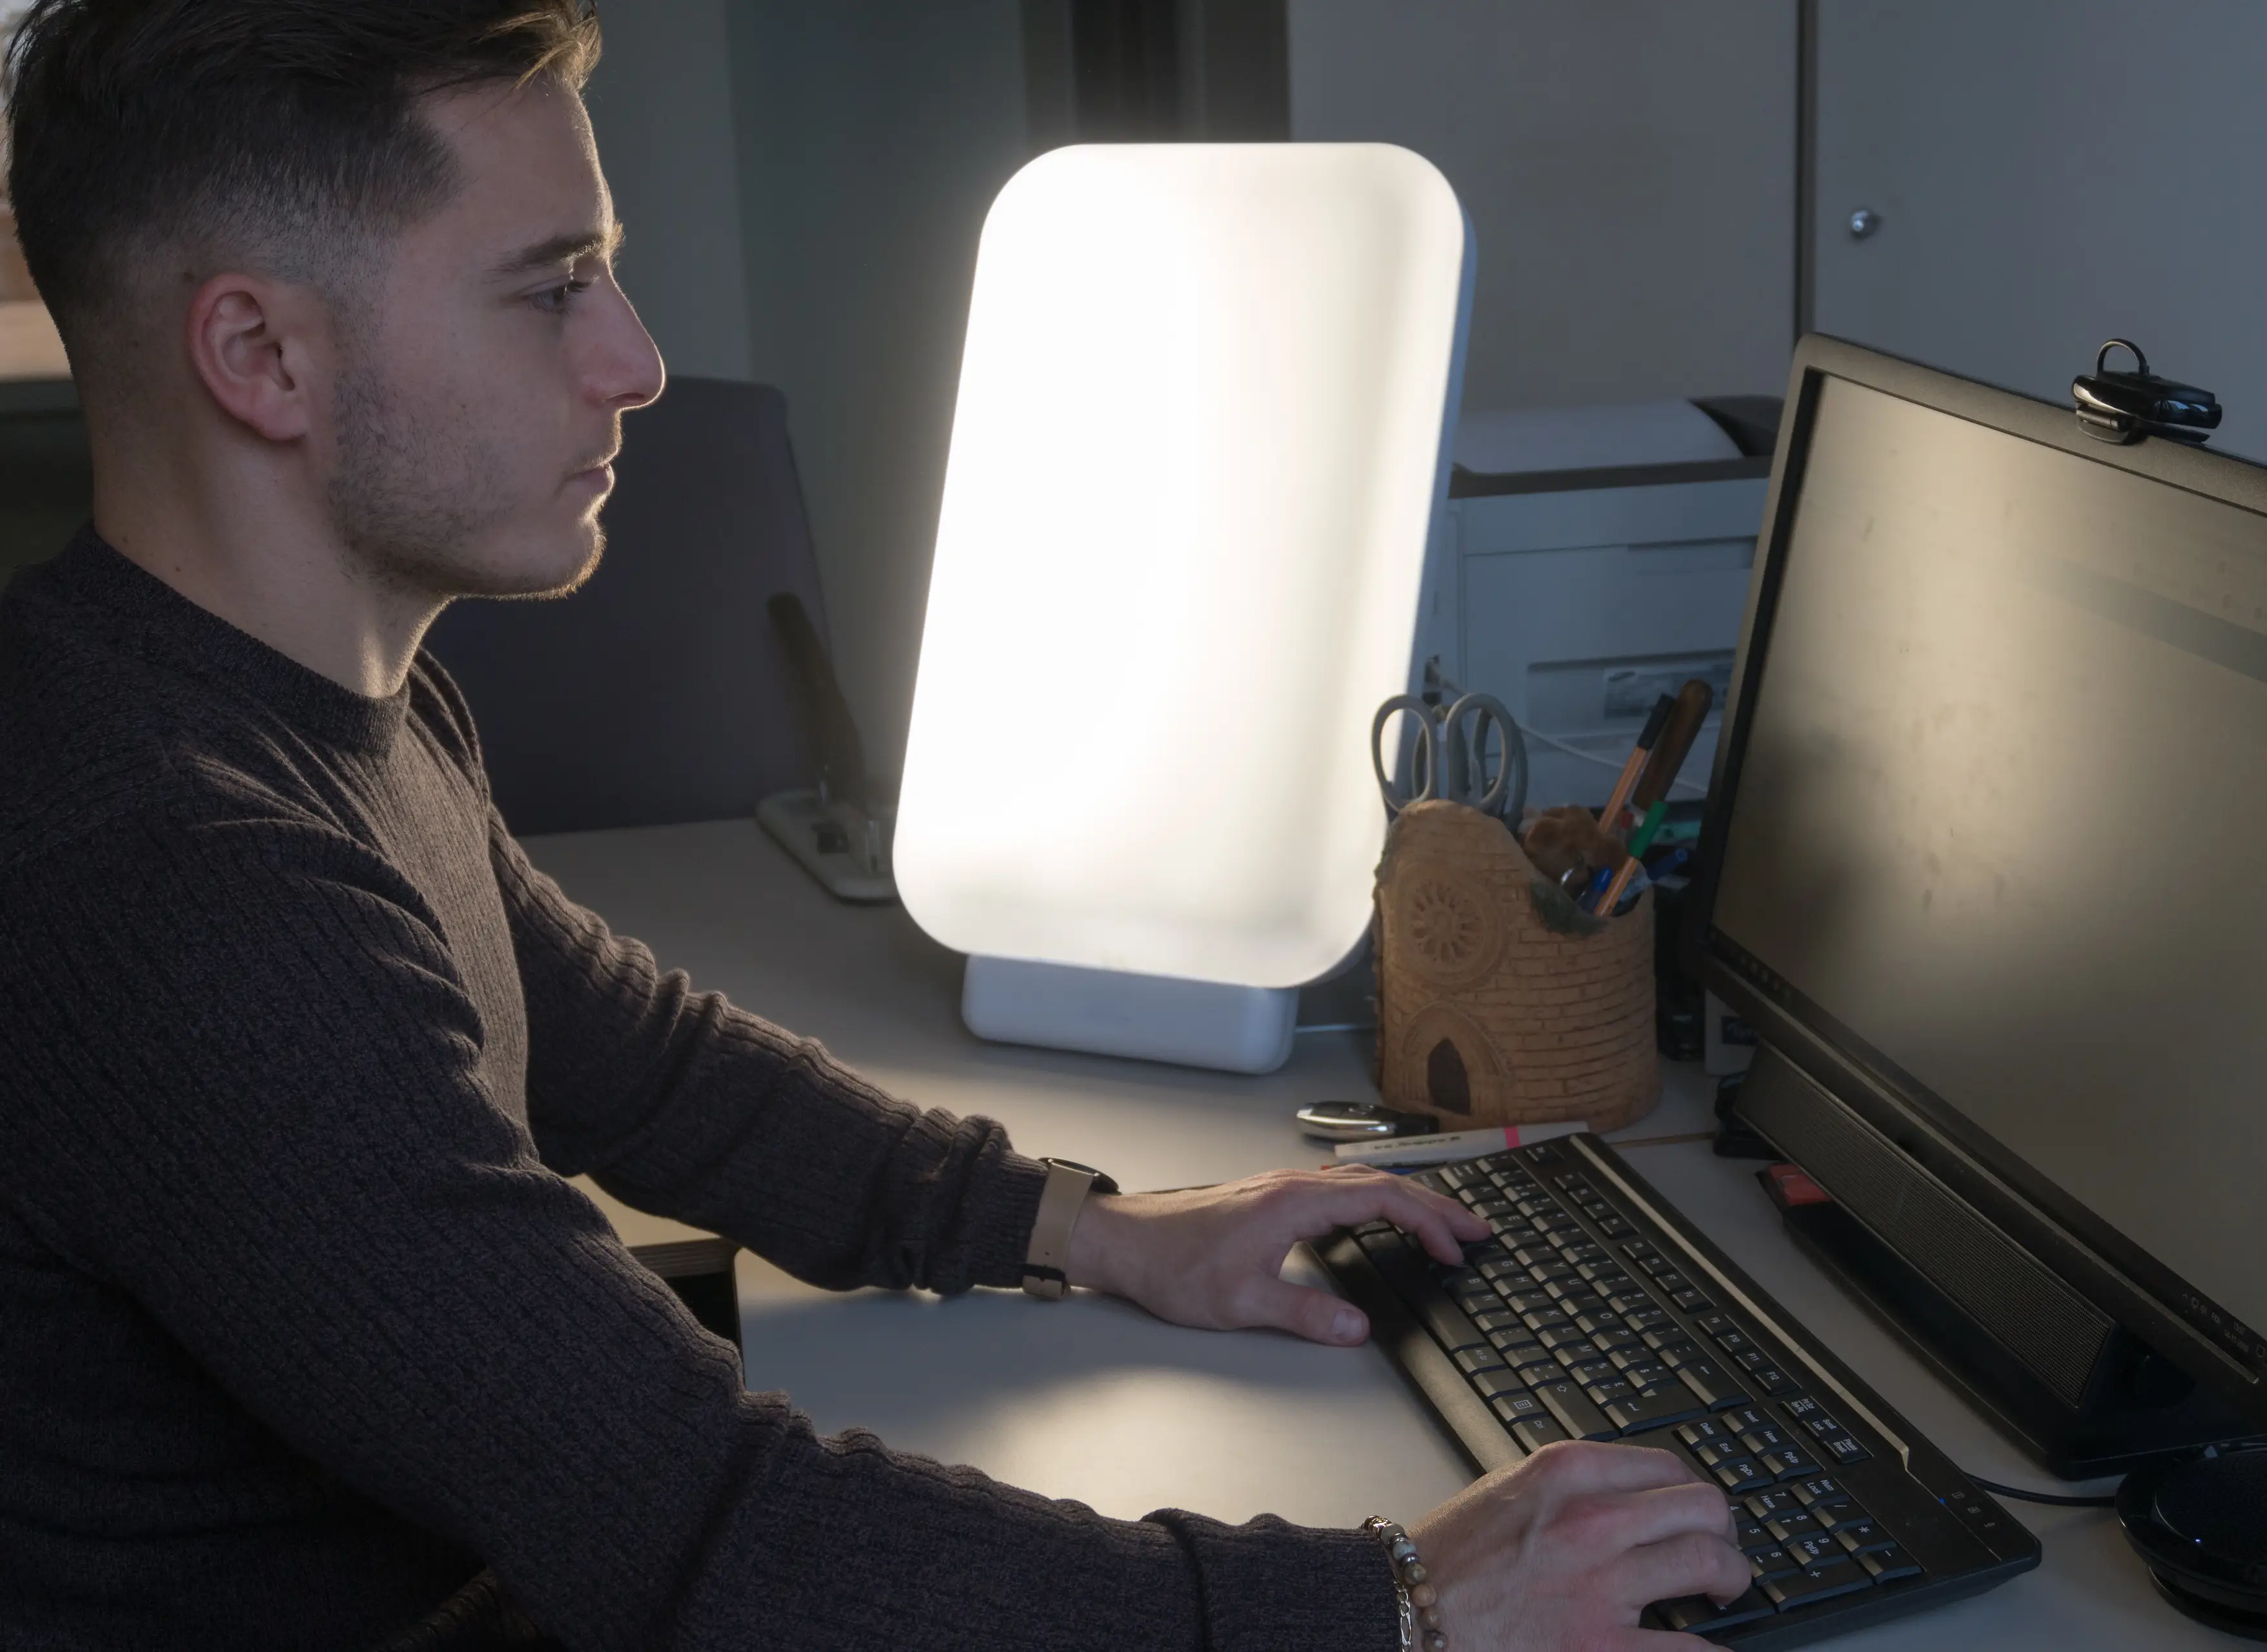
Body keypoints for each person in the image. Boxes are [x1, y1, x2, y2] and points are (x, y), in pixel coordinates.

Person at [0, 3, 1748, 1647]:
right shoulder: (175, 879)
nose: (638, 362)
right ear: (260, 357)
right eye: (550, 290)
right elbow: (711, 1535)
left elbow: (642, 1064)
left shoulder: (298, 700)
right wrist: (1395, 1607)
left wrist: (1093, 1230)